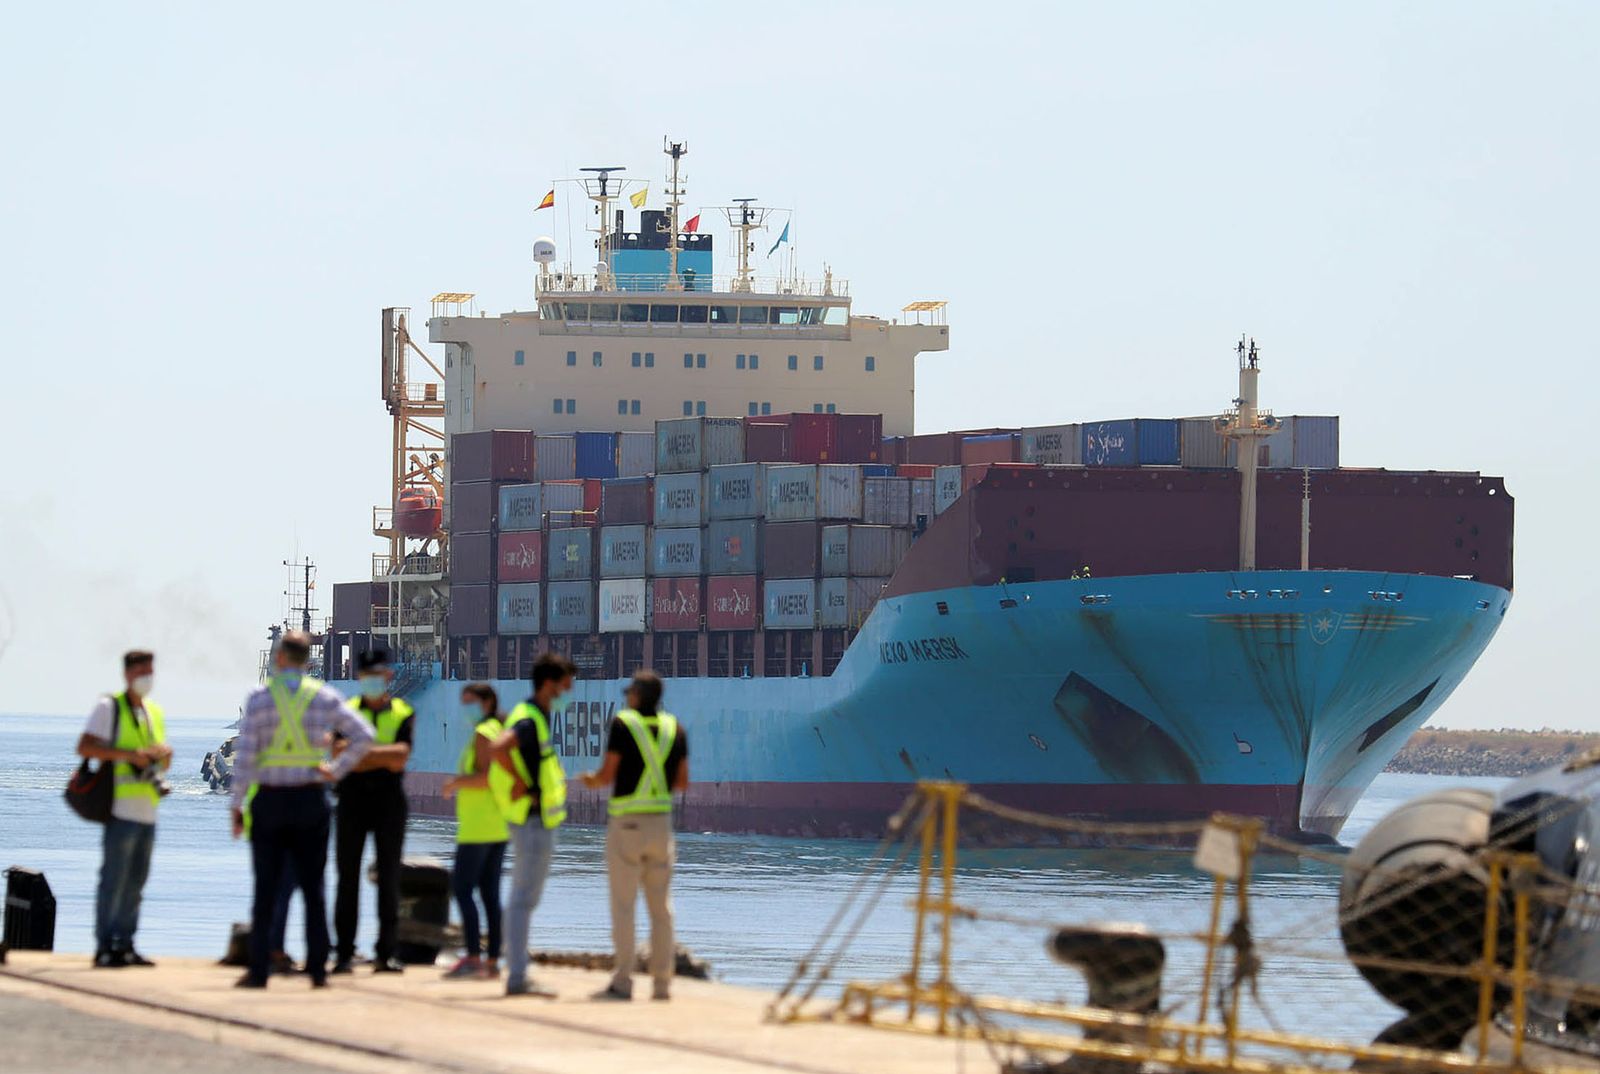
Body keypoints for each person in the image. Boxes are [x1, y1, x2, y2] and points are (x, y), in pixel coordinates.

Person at [230, 630, 374, 989]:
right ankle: (317, 970)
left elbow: (245, 757)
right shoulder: (323, 696)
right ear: (308, 662)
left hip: (270, 798)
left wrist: (236, 805)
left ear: (278, 659)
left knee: (265, 889)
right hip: (311, 798)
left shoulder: (259, 700)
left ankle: (260, 970)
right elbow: (364, 735)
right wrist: (335, 771)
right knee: (314, 889)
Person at [581, 669, 689, 1001]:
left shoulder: (623, 724)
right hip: (661, 826)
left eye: (630, 692)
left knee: (624, 905)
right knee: (661, 910)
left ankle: (624, 981)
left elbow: (608, 773)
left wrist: (591, 780)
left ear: (637, 696)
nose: (627, 697)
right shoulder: (676, 729)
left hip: (627, 825)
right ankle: (662, 984)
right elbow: (683, 783)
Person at [77, 650, 172, 968]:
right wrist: (129, 755)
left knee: (136, 885)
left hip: (148, 810)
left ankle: (126, 944)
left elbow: (162, 763)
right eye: (143, 671)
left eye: (151, 671)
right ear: (128, 673)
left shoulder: (153, 712)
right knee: (113, 882)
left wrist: (162, 754)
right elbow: (85, 746)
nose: (149, 678)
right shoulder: (110, 708)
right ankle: (105, 946)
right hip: (120, 810)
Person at [489, 652, 573, 997]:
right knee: (524, 896)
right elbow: (498, 749)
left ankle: (516, 966)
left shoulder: (534, 715)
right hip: (532, 819)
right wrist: (520, 783)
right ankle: (518, 975)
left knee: (523, 896)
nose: (569, 690)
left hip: (535, 819)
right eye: (566, 683)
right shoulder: (529, 719)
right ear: (549, 684)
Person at [331, 649, 415, 975]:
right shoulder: (347, 713)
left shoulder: (403, 712)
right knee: (347, 879)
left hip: (389, 803)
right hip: (351, 801)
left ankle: (386, 953)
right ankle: (344, 953)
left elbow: (401, 756)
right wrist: (381, 755)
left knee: (389, 878)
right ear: (359, 678)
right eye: (367, 676)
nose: (373, 681)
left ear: (389, 676)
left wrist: (359, 754)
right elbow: (337, 750)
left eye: (378, 675)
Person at [440, 683, 509, 980]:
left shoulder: (484, 735)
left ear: (488, 702)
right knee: (491, 896)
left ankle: (472, 957)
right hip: (497, 824)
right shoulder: (500, 731)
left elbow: (485, 779)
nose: (465, 708)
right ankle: (493, 961)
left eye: (470, 702)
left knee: (462, 889)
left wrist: (455, 783)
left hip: (477, 827)